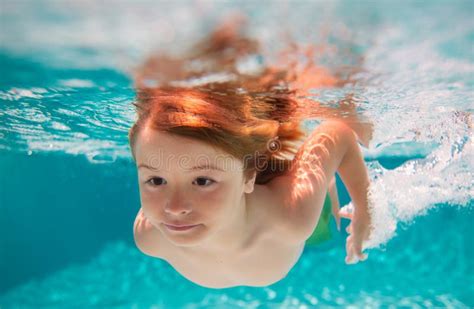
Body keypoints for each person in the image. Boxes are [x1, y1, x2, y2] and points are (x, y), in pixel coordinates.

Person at [129, 15, 373, 288]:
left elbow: (337, 133)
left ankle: (317, 176)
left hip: (290, 204)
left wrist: (364, 211)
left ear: (248, 176)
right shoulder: (149, 237)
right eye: (155, 180)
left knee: (322, 228)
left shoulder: (290, 217)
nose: (174, 208)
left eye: (202, 181)